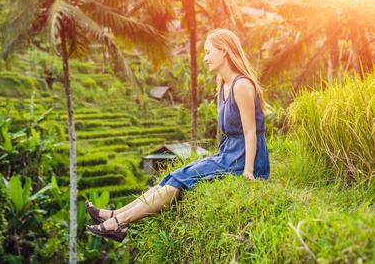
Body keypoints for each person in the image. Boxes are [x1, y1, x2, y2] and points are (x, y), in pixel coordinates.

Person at [85, 29, 271, 243]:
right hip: (228, 153)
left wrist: (248, 172)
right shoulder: (223, 85)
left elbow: (250, 132)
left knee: (180, 181)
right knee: (172, 177)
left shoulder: (242, 85)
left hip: (246, 159)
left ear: (224, 51)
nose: (205, 57)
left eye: (209, 52)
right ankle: (115, 215)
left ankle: (121, 222)